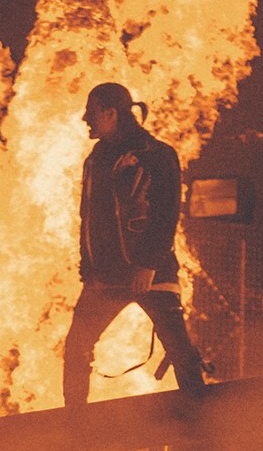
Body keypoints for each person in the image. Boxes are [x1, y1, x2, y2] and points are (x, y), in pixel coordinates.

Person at [62, 82, 209, 404]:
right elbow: (90, 219)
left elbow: (167, 213)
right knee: (76, 348)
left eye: (91, 111)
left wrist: (149, 265)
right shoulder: (95, 160)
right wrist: (89, 270)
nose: (85, 118)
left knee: (179, 350)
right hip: (105, 278)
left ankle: (201, 417)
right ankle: (73, 423)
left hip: (150, 276)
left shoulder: (156, 155)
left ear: (111, 113)